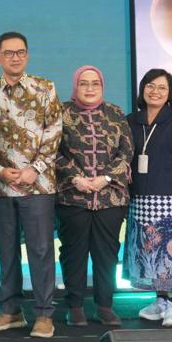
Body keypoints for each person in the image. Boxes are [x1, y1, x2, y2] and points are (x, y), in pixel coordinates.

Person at [0, 32, 62, 338]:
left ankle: (44, 314)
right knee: (6, 251)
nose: (15, 57)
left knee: (41, 250)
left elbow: (54, 131)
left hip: (38, 186)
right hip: (1, 187)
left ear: (27, 55)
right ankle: (10, 311)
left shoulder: (45, 88)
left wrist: (34, 169)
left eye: (21, 52)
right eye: (9, 53)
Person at [54, 66, 133, 328]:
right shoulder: (61, 112)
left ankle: (105, 306)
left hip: (110, 197)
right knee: (73, 253)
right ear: (75, 86)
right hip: (72, 196)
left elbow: (126, 151)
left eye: (95, 83)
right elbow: (52, 150)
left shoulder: (115, 112)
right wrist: (75, 177)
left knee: (106, 254)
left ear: (102, 86)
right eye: (84, 83)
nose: (89, 88)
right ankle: (75, 306)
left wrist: (106, 177)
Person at [125, 70, 172, 328]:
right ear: (142, 89)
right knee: (151, 253)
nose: (155, 91)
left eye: (161, 87)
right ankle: (159, 302)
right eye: (150, 86)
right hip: (140, 200)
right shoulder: (132, 121)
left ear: (170, 93)